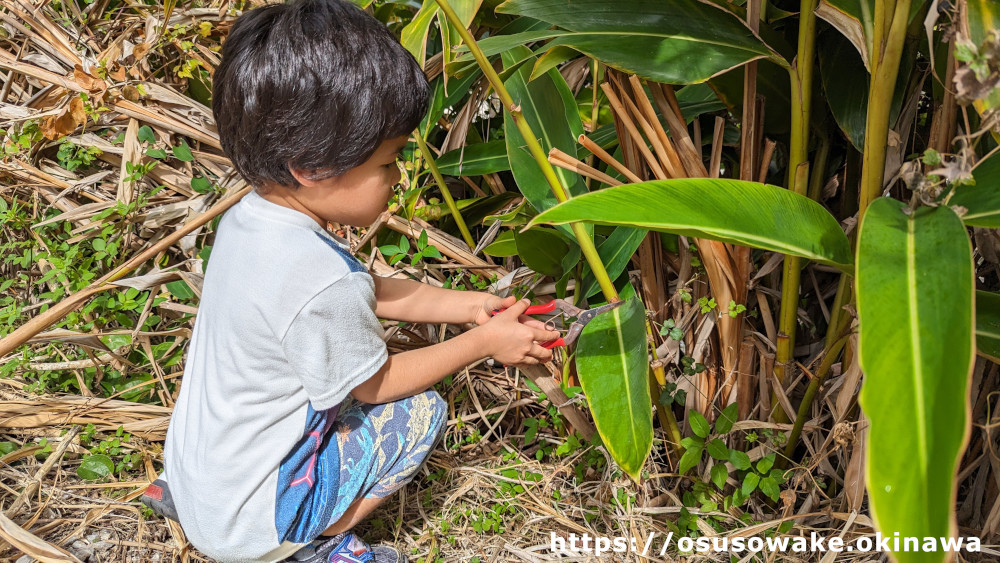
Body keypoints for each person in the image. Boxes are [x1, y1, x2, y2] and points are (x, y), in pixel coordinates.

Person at [146, 1, 559, 561]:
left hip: (205, 482)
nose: (396, 176)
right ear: (311, 166)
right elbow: (375, 386)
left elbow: (365, 291)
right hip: (247, 525)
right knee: (419, 413)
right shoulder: (317, 278)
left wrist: (471, 307)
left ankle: (207, 507)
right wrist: (484, 344)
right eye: (388, 162)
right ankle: (307, 545)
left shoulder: (253, 220)